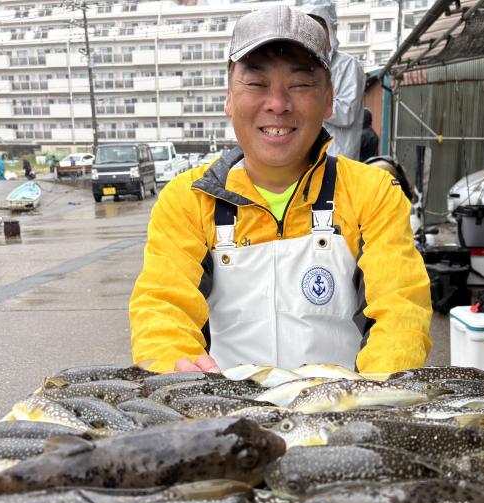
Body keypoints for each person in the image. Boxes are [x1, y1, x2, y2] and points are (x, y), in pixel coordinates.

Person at [129, 5, 432, 374]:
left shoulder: (373, 192)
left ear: (328, 98)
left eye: (301, 84)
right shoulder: (189, 199)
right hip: (227, 414)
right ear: (228, 96)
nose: (277, 104)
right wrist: (175, 368)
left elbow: (401, 310)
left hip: (338, 412)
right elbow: (163, 305)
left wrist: (373, 395)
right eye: (256, 84)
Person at [301, 1, 366, 160]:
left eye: (318, 25)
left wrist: (306, 101)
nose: (313, 33)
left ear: (329, 29)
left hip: (338, 159)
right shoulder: (303, 66)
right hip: (307, 161)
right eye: (307, 27)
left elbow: (346, 113)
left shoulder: (348, 65)